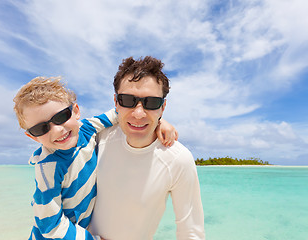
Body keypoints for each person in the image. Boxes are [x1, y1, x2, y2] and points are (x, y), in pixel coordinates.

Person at [13, 77, 177, 240]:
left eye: (61, 117)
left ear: (76, 111)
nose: (57, 130)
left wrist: (158, 121)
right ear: (33, 137)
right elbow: (49, 224)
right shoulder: (49, 168)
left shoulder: (87, 129)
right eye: (41, 128)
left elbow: (123, 114)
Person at [89, 56, 205, 239]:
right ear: (115, 102)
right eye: (127, 100)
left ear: (163, 107)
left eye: (151, 103)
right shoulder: (97, 138)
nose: (138, 113)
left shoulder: (178, 159)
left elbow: (190, 231)